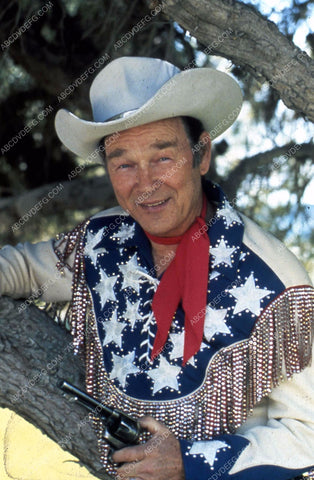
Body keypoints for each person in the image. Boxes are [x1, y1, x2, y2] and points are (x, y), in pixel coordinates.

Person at [0, 56, 313, 480]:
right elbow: (23, 270)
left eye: (163, 157)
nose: (144, 183)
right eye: (123, 163)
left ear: (201, 155)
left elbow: (306, 434)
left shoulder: (277, 283)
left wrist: (190, 463)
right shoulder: (102, 240)